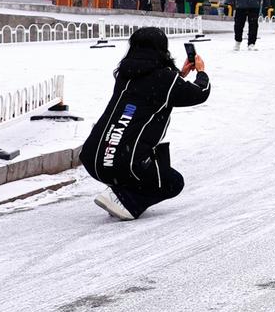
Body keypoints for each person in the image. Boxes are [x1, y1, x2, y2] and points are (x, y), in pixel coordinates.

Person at [81, 26, 211, 220]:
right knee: (173, 182)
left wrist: (180, 75)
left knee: (149, 159)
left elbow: (150, 89)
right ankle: (125, 201)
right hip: (123, 163)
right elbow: (199, 93)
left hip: (94, 159)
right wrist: (201, 72)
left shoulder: (125, 74)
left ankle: (119, 189)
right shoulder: (165, 79)